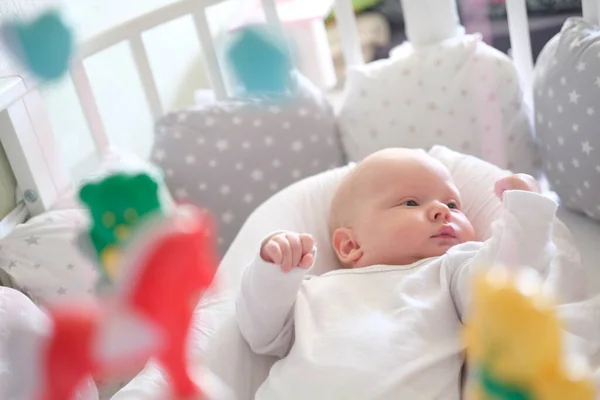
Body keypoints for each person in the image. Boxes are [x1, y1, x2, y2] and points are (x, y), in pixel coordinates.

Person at [236, 148, 555, 399]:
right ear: (350, 245)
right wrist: (275, 270)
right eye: (411, 202)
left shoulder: (448, 273)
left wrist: (526, 213)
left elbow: (507, 286)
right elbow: (259, 333)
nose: (442, 211)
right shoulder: (311, 290)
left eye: (454, 205)